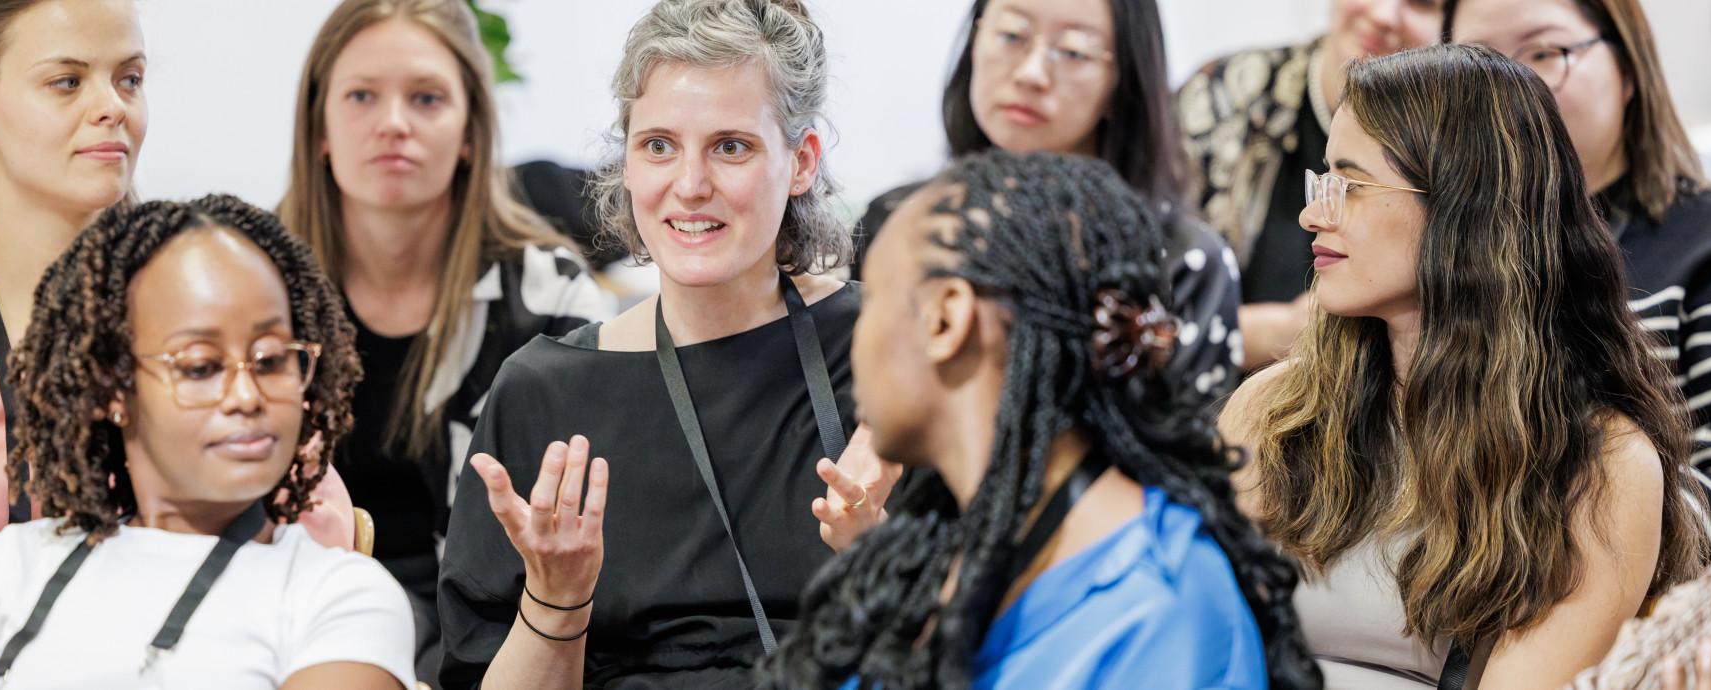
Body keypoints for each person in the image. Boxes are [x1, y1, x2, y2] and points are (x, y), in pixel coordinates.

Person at [0, 2, 349, 687]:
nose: (112, 107)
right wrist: (36, 658)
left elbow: (320, 526)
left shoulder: (209, 302)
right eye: (67, 81)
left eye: (129, 79)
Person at [1219, 44, 1709, 690]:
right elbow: (1199, 642)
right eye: (1321, 183)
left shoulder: (1601, 466)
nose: (1315, 214)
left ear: (1464, 207)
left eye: (1351, 185)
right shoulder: (1272, 410)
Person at [765, 149, 1318, 690]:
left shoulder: (1163, 606)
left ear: (946, 320)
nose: (856, 340)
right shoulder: (936, 554)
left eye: (876, 300)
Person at [434, 0, 862, 686]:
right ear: (627, 162)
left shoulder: (881, 358)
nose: (690, 187)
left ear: (802, 160)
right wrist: (557, 596)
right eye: (658, 145)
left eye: (731, 146)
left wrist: (885, 554)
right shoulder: (544, 393)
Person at [0, 195, 412, 689]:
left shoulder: (338, 598)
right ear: (112, 388)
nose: (246, 395)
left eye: (272, 360)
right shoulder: (0, 572)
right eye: (200, 367)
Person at [278, 0, 613, 678]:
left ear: (469, 131)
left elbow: (588, 514)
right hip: (288, 612)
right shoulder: (253, 283)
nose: (393, 123)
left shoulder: (549, 297)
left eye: (427, 98)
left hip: (493, 628)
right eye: (362, 95)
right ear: (320, 126)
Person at [851, 0, 1244, 405]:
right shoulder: (897, 225)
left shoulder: (1185, 262)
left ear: (1123, 79)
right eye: (1011, 35)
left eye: (1074, 51)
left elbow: (1187, 458)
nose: (1030, 73)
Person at [1445, 0, 1711, 552]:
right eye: (1478, 64)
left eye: (1544, 53)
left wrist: (1587, 564)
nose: (1512, 91)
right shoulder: (1444, 260)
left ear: (1628, 69)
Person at [1179, 0, 1440, 368]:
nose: (1383, 15)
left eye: (1423, 3)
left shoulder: (1462, 143)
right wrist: (1275, 332)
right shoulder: (1224, 96)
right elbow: (1140, 309)